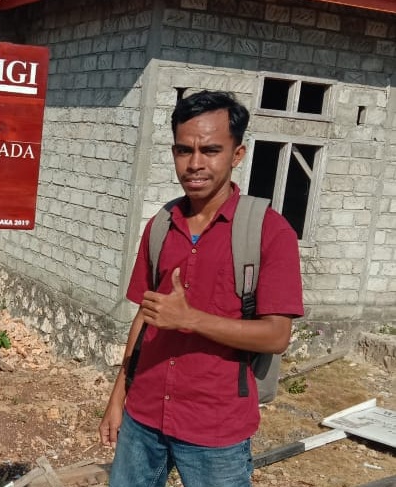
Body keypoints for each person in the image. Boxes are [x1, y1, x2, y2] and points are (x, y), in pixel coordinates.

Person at [99, 90, 304, 487]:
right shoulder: (161, 225)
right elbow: (145, 315)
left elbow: (277, 335)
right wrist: (117, 397)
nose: (194, 164)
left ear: (238, 154)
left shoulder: (268, 232)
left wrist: (190, 318)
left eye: (210, 150)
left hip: (216, 429)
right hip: (144, 416)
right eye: (183, 150)